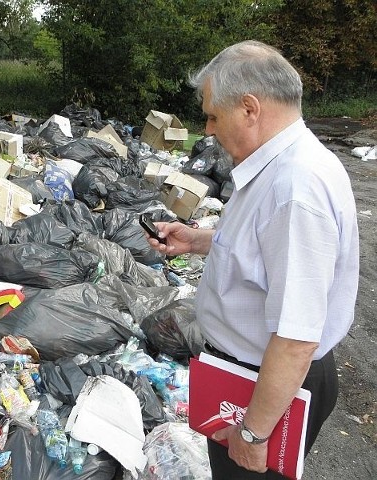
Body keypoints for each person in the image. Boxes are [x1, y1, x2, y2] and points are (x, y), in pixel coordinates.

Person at [146, 40, 359, 479]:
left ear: (248, 108)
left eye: (212, 115)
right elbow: (262, 252)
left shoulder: (295, 189)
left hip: (268, 388)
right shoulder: (280, 164)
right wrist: (197, 240)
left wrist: (255, 433)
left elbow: (297, 337)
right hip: (247, 376)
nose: (207, 129)